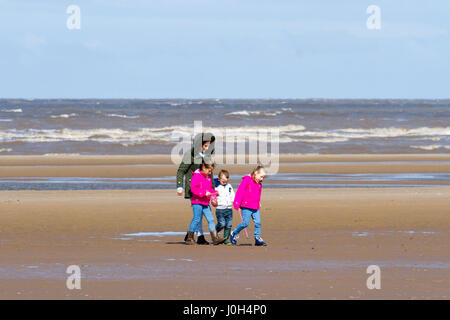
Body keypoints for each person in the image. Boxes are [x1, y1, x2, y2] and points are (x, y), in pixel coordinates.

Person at [176, 132, 215, 244]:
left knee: (201, 214)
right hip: (193, 187)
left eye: (209, 145)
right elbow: (181, 170)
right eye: (205, 145)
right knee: (198, 215)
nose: (207, 148)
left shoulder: (207, 156)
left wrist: (212, 192)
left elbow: (210, 175)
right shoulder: (190, 154)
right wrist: (179, 186)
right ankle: (199, 236)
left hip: (206, 189)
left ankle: (193, 235)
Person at [185, 161, 225, 245]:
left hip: (205, 203)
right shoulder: (196, 176)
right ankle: (189, 238)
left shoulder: (208, 177)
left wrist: (214, 192)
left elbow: (209, 188)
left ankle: (215, 238)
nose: (210, 173)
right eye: (209, 170)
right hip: (197, 202)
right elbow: (193, 189)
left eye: (211, 171)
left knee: (211, 219)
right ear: (203, 168)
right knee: (196, 219)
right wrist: (203, 193)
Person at [230, 165, 267, 246]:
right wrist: (237, 202)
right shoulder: (247, 180)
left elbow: (258, 194)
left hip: (255, 206)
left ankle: (257, 238)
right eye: (261, 177)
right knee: (245, 223)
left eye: (263, 177)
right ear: (256, 173)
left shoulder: (259, 184)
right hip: (246, 206)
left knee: (258, 222)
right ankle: (234, 233)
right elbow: (240, 191)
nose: (262, 179)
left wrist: (258, 202)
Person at [214, 170, 235, 245]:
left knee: (228, 224)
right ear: (219, 179)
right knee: (222, 224)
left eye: (226, 181)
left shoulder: (229, 186)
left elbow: (232, 195)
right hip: (220, 209)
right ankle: (214, 233)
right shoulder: (216, 187)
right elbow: (212, 195)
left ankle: (226, 239)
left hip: (229, 208)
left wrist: (235, 203)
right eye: (223, 181)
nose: (224, 182)